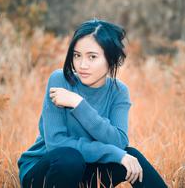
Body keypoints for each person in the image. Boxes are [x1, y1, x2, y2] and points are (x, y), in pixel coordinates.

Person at [17, 19, 167, 188]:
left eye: (92, 57)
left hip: (85, 172)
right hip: (45, 171)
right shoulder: (60, 80)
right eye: (77, 55)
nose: (82, 65)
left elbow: (119, 142)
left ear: (111, 59)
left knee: (132, 157)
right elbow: (56, 144)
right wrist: (114, 153)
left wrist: (79, 104)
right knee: (70, 158)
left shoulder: (118, 92)